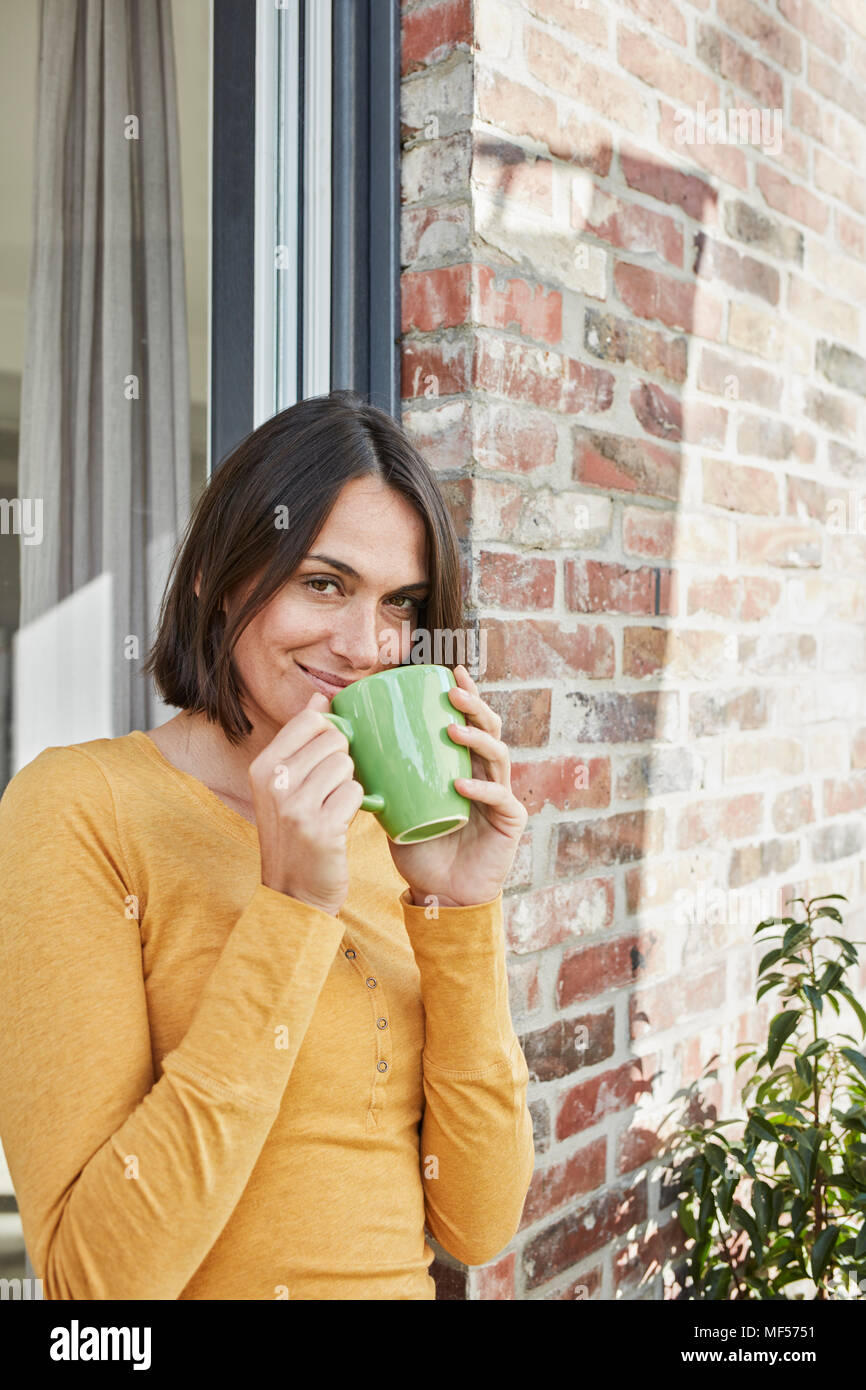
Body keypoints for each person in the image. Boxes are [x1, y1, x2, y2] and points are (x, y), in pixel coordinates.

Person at [0, 389, 535, 1300]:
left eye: (401, 604)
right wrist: (289, 911)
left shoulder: (388, 830)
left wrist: (459, 905)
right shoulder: (80, 808)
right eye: (322, 583)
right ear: (218, 573)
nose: (367, 644)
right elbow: (94, 1285)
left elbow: (477, 1225)